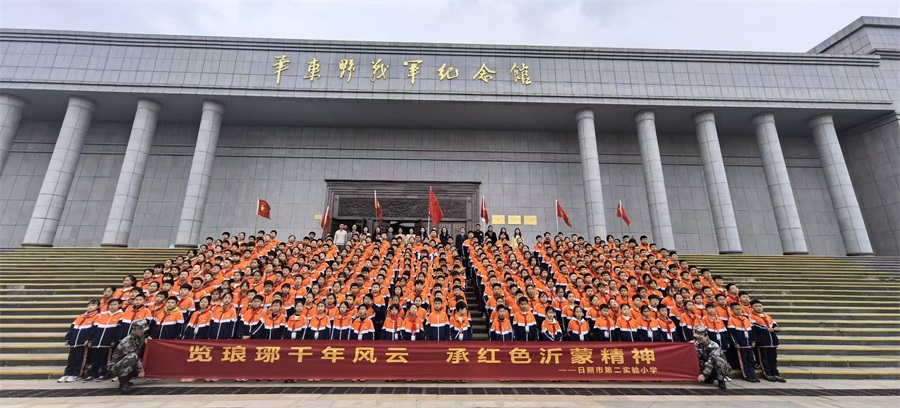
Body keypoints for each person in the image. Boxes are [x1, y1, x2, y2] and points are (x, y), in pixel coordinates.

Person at [60, 299, 100, 383]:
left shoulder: (97, 316)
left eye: (93, 305)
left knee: (80, 360)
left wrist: (89, 339)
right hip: (74, 342)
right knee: (71, 359)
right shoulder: (81, 316)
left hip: (83, 342)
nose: (90, 307)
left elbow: (94, 330)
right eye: (89, 305)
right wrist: (68, 338)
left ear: (98, 307)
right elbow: (72, 328)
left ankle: (77, 374)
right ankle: (67, 374)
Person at [107, 318, 148, 394]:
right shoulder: (128, 341)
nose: (142, 332)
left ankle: (126, 379)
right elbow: (133, 356)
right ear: (133, 330)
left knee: (135, 360)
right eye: (140, 331)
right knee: (132, 356)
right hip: (115, 367)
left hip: (126, 363)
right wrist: (140, 370)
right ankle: (123, 384)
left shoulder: (139, 338)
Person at [749, 300, 785, 382]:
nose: (758, 308)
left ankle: (775, 374)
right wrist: (767, 329)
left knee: (773, 359)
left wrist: (775, 328)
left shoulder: (767, 316)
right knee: (763, 359)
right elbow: (754, 327)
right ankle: (767, 373)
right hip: (762, 341)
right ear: (752, 308)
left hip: (772, 341)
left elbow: (774, 324)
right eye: (756, 306)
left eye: (760, 306)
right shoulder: (751, 316)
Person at [727, 302, 759, 382]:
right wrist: (735, 342)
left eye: (739, 309)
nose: (738, 311)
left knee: (751, 360)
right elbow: (731, 333)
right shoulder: (731, 319)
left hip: (749, 343)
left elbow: (752, 331)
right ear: (732, 310)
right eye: (736, 309)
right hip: (741, 344)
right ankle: (747, 375)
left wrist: (753, 340)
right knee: (743, 360)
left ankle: (753, 375)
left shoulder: (746, 319)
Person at [694, 324, 729, 390]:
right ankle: (711, 376)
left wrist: (704, 374)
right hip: (707, 365)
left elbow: (711, 361)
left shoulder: (714, 345)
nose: (699, 340)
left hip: (719, 366)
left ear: (706, 336)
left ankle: (721, 380)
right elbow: (696, 357)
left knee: (717, 360)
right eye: (697, 338)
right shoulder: (697, 344)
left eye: (700, 338)